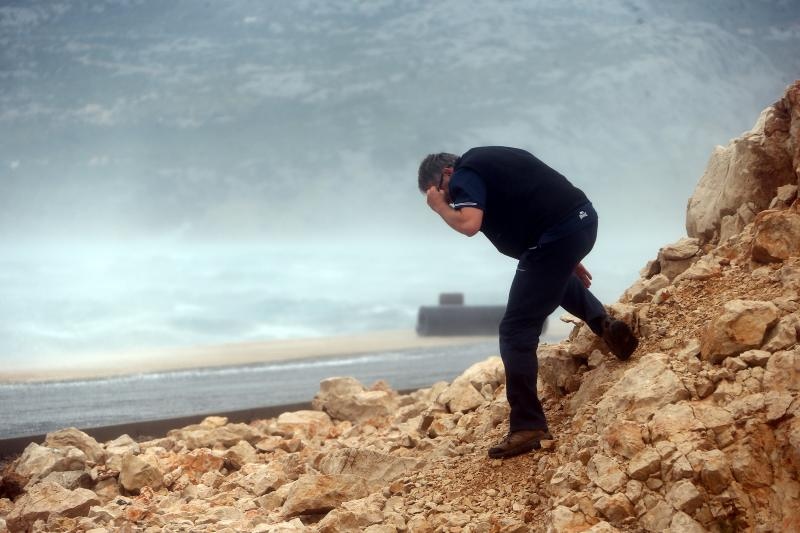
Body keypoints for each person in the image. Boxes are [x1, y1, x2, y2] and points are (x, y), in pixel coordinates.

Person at [418, 146, 638, 459]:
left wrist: (440, 207)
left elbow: (469, 224)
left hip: (558, 234)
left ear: (446, 175)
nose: (453, 200)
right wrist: (568, 256)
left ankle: (528, 426)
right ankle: (607, 326)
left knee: (515, 330)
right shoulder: (491, 163)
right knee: (547, 277)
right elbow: (536, 200)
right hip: (581, 220)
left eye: (446, 193)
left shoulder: (465, 173)